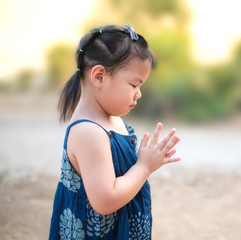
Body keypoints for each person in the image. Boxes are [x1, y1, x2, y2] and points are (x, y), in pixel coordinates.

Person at [49, 24, 181, 240]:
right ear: (99, 76)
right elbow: (105, 200)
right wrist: (144, 166)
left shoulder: (112, 119)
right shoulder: (88, 131)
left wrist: (146, 158)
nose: (139, 94)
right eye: (133, 85)